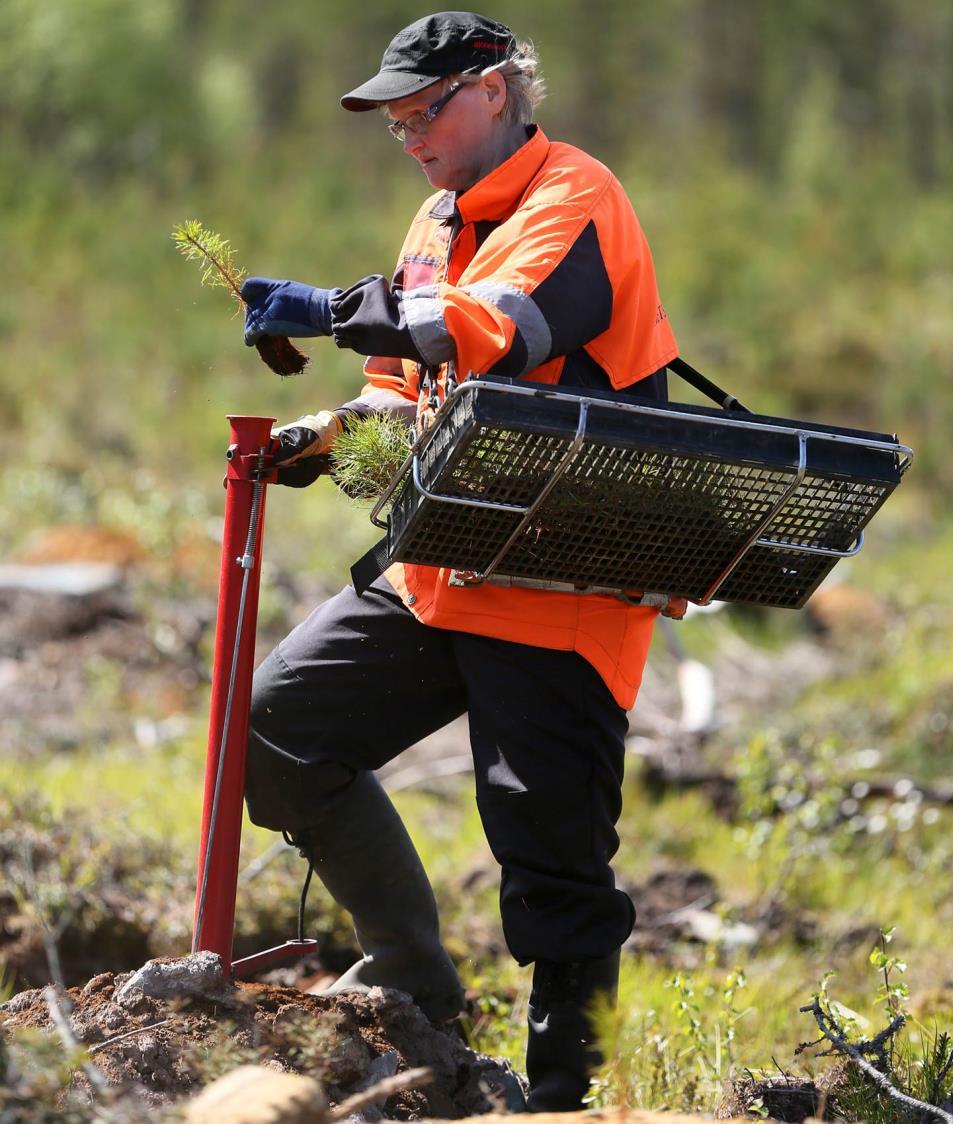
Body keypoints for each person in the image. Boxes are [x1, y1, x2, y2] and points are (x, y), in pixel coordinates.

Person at [241, 11, 680, 1112]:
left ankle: (563, 1097)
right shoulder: (434, 218)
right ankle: (416, 994)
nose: (411, 135)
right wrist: (325, 435)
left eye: (423, 110)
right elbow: (401, 388)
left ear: (493, 89)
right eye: (395, 123)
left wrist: (335, 309)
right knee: (273, 739)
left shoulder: (577, 196)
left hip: (560, 580)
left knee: (552, 875)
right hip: (441, 568)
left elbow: (488, 326)